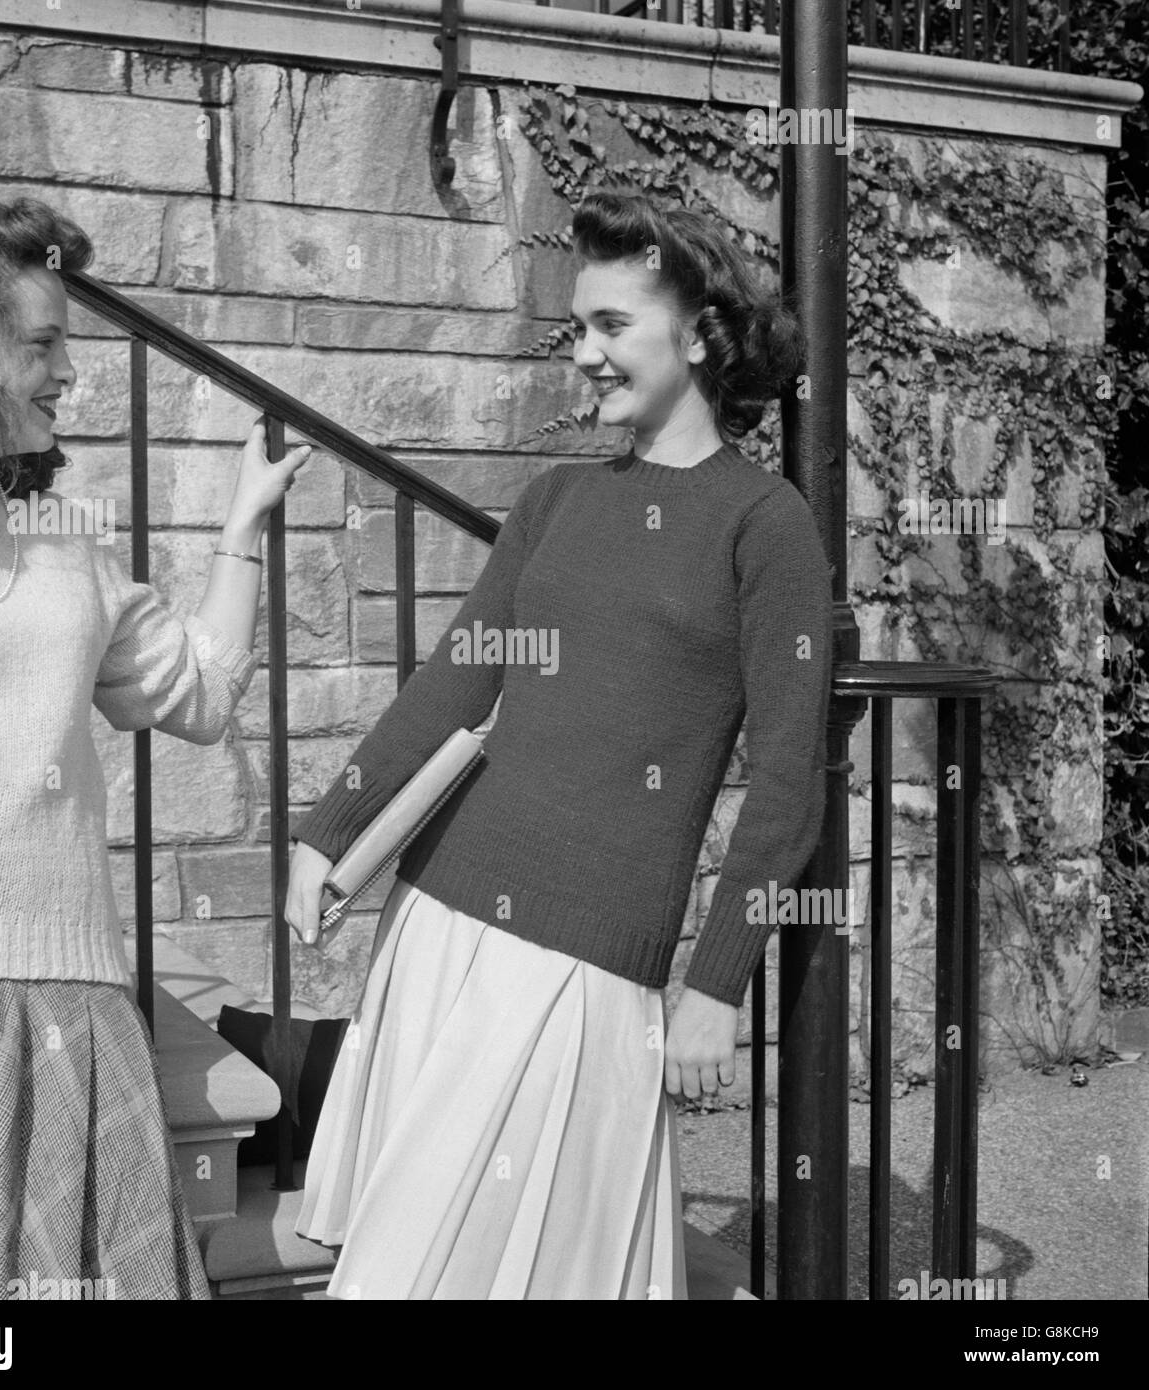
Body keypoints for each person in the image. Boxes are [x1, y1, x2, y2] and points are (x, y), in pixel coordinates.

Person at [284, 188, 833, 1300]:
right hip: (439, 915)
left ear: (699, 332)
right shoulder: (554, 499)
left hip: (585, 961)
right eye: (576, 328)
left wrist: (716, 984)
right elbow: (454, 680)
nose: (583, 353)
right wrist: (328, 829)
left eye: (611, 325)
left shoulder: (765, 525)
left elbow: (786, 782)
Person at [0, 196, 308, 1299]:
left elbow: (197, 693)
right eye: (45, 342)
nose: (72, 372)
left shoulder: (71, 554)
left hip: (65, 987)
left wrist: (241, 537)